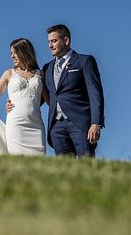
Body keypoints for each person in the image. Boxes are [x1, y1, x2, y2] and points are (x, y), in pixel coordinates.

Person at [8, 24, 105, 158]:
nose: (50, 45)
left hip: (80, 124)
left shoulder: (84, 61)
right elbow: (38, 96)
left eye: (54, 41)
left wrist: (96, 123)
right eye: (49, 42)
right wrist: (16, 104)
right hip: (56, 127)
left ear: (66, 41)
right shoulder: (47, 68)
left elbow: (95, 94)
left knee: (87, 165)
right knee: (64, 170)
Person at [0, 38, 46, 155]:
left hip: (36, 125)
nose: (12, 56)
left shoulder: (40, 74)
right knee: (17, 160)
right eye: (11, 53)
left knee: (39, 163)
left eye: (15, 52)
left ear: (25, 51)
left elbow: (48, 100)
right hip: (16, 125)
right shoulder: (9, 73)